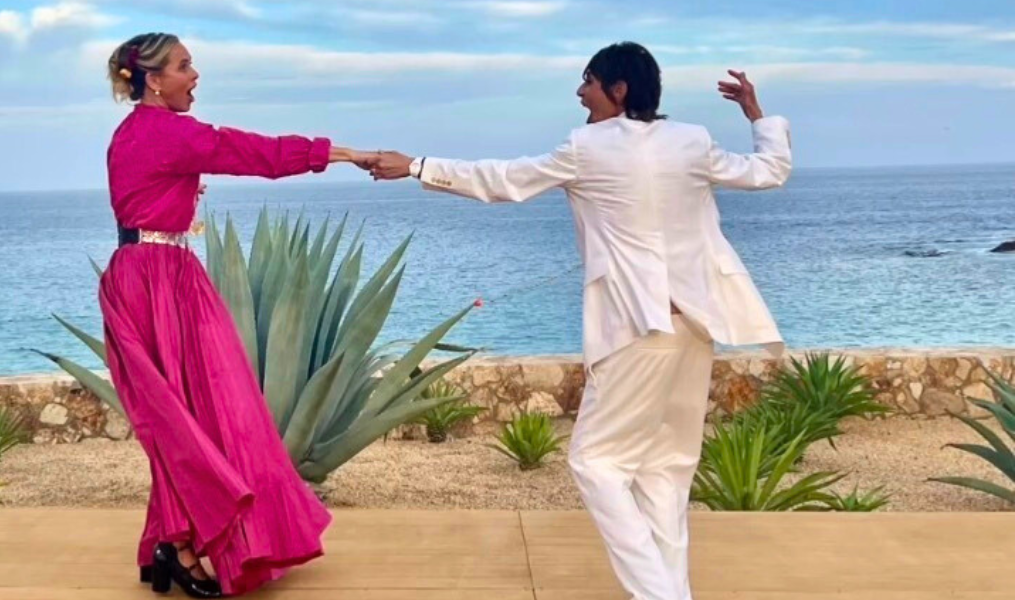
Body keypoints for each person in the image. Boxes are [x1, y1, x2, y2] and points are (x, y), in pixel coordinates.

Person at [368, 42, 792, 600]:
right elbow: (769, 171)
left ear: (618, 90)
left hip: (641, 332)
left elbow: (503, 180)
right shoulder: (690, 141)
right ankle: (672, 592)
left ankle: (659, 595)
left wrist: (418, 166)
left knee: (595, 463)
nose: (579, 91)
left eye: (588, 80)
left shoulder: (588, 147)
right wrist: (757, 116)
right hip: (696, 324)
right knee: (666, 469)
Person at [101, 32, 374, 598]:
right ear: (153, 79)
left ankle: (171, 541)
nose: (195, 75)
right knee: (205, 416)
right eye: (184, 66)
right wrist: (341, 153)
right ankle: (180, 547)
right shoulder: (170, 133)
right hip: (160, 281)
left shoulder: (129, 132)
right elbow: (255, 153)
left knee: (181, 418)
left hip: (148, 273)